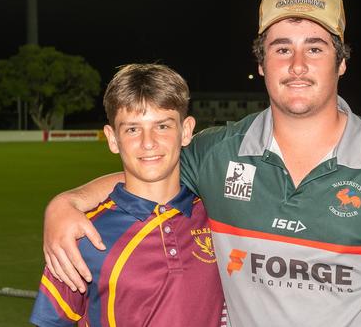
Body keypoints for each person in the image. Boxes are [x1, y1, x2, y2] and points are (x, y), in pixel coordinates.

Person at [39, 0, 361, 326]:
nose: (298, 65)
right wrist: (67, 203)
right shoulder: (216, 153)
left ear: (343, 62)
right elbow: (147, 172)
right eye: (281, 49)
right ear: (260, 62)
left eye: (316, 48)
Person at [30, 64, 226, 326]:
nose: (148, 142)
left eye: (163, 126)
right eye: (132, 129)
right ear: (112, 138)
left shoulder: (219, 216)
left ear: (186, 130)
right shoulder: (83, 236)